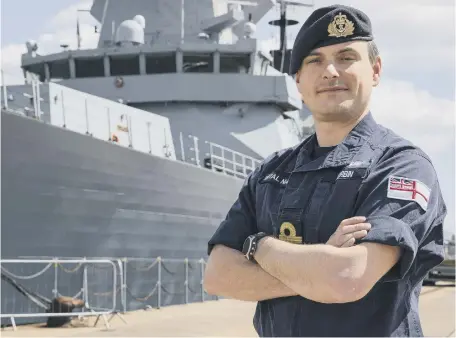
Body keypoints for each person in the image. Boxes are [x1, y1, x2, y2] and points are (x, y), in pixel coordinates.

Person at [203, 4, 447, 337]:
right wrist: (318, 267)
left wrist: (258, 245)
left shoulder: (400, 165)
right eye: (315, 60)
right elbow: (217, 276)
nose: (330, 71)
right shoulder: (269, 174)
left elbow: (346, 279)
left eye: (346, 57)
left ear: (375, 71)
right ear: (298, 80)